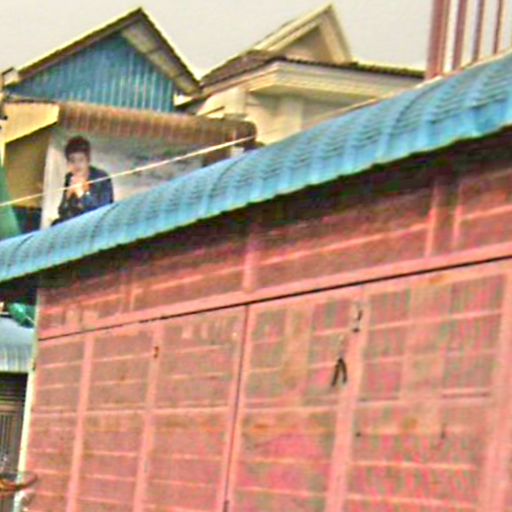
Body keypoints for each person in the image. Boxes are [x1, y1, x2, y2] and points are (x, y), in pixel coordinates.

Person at [52, 136, 114, 225]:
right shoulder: (70, 177)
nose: (77, 165)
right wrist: (67, 196)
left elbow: (102, 213)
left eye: (81, 160)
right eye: (72, 161)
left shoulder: (101, 178)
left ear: (88, 160)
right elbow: (62, 212)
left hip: (95, 224)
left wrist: (82, 195)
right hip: (75, 224)